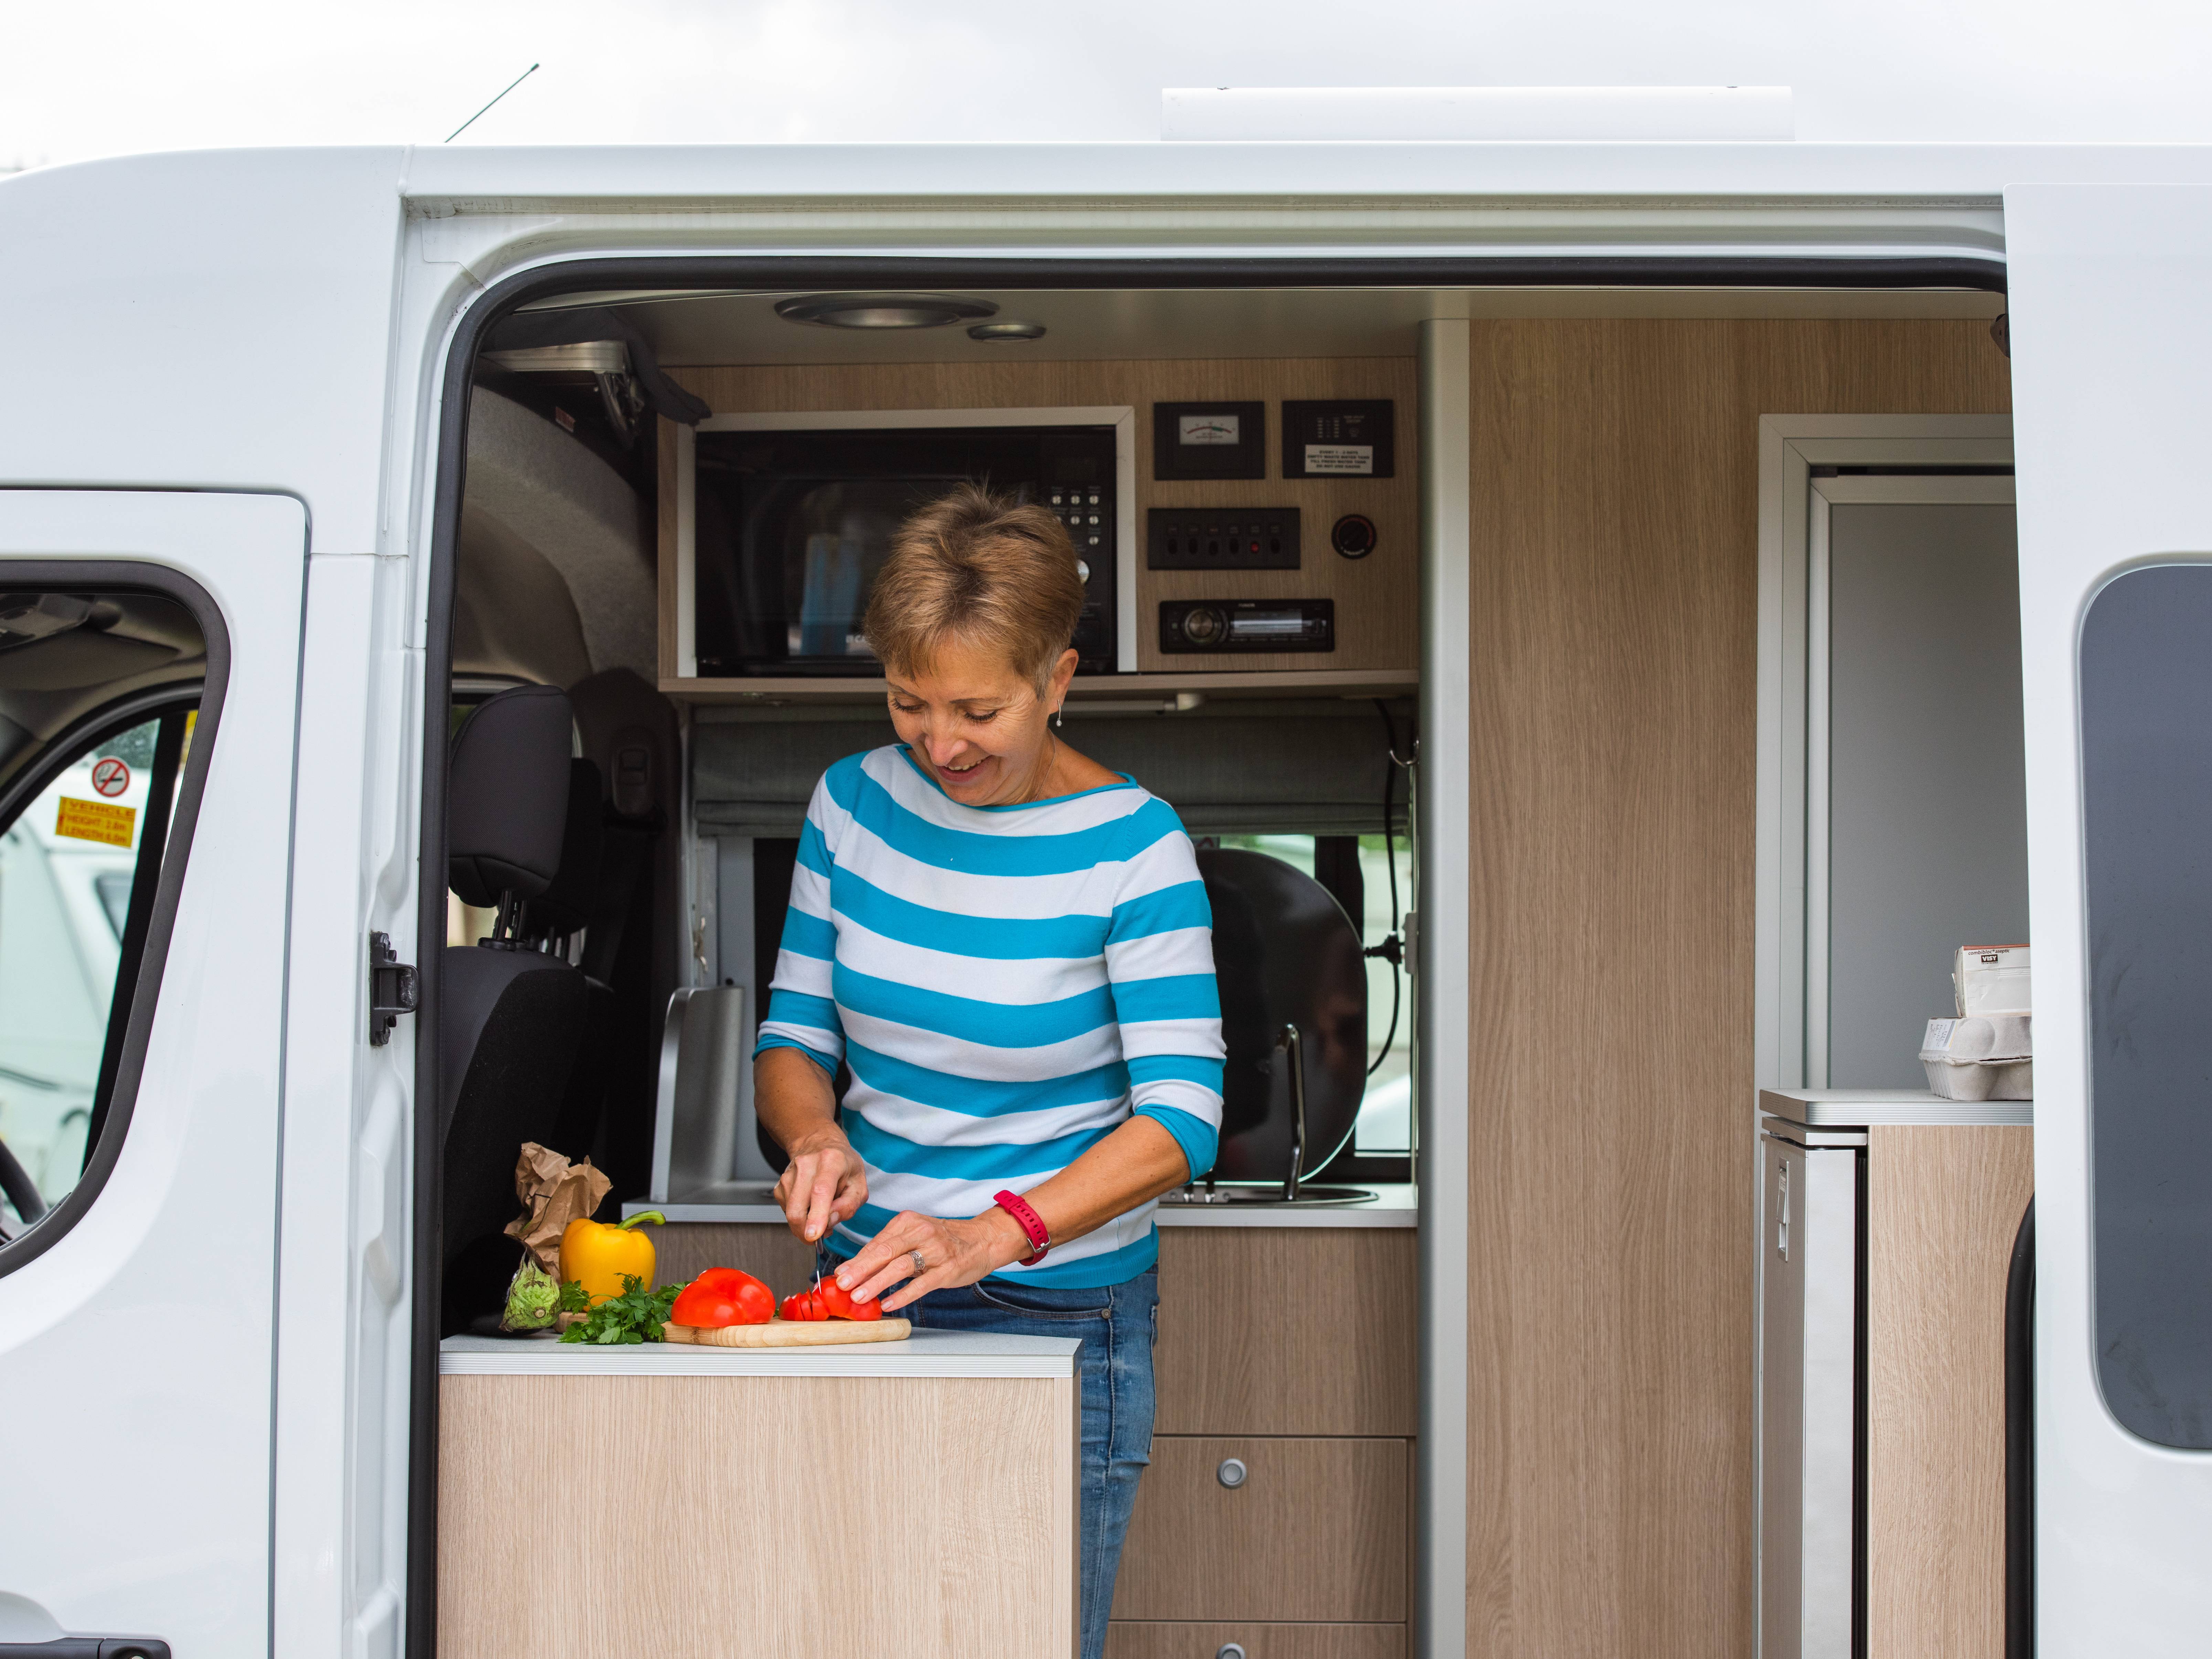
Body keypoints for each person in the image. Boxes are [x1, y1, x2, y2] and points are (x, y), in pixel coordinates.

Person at [753, 484, 1225, 1658]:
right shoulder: (850, 803)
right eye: (910, 702)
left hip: (1055, 1305)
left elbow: (1183, 1121)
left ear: (1056, 681)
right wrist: (813, 1136)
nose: (941, 743)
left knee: (1018, 1634)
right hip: (858, 1294)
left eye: (978, 709)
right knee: (854, 1627)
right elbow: (793, 1038)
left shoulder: (1134, 846)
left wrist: (995, 1231)